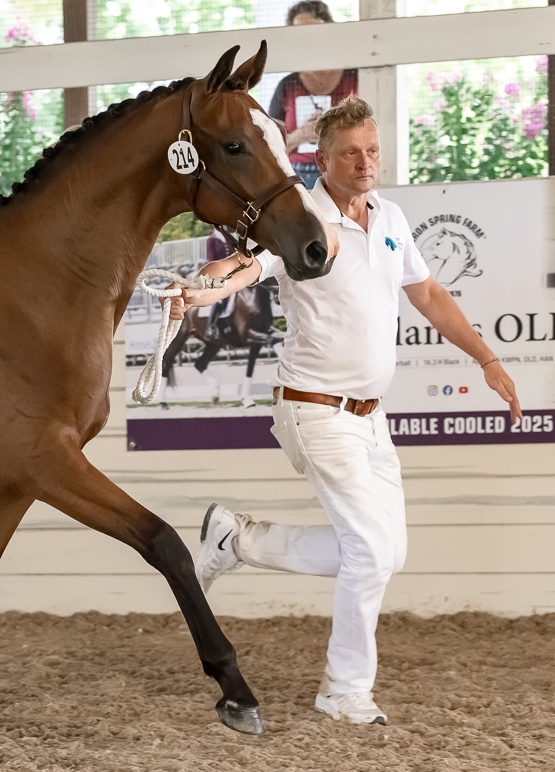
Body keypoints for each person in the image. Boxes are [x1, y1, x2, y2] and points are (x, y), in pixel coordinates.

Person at [169, 96, 521, 727]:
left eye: (372, 151)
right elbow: (243, 266)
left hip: (370, 418)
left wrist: (486, 359)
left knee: (387, 553)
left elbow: (429, 293)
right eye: (351, 154)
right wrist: (199, 290)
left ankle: (238, 539)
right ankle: (344, 689)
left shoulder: (391, 216)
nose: (365, 163)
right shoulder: (299, 217)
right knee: (369, 550)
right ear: (323, 160)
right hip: (313, 409)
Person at [267, 1, 358, 188]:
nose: (309, 39)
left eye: (314, 32)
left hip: (346, 169)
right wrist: (300, 135)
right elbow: (270, 147)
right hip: (298, 173)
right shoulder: (287, 85)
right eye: (300, 34)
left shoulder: (356, 78)